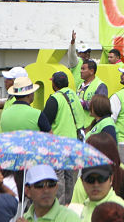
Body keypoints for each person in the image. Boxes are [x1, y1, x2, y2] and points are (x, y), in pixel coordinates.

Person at [44, 72, 88, 203]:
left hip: (59, 146)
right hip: (75, 143)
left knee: (58, 179)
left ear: (54, 84)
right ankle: (71, 207)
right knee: (71, 180)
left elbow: (45, 121)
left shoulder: (55, 98)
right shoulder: (74, 95)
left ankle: (59, 209)